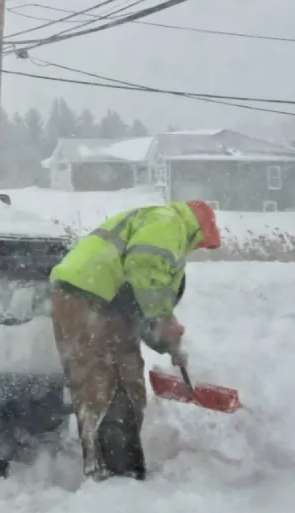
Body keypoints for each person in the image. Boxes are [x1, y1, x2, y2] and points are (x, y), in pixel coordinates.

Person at [49, 200, 221, 481]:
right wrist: (164, 318)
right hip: (82, 293)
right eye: (201, 243)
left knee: (129, 379)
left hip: (110, 303)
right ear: (199, 228)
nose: (197, 249)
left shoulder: (169, 243)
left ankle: (125, 468)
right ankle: (105, 472)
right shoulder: (168, 221)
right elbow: (145, 268)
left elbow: (143, 307)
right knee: (98, 380)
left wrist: (168, 344)